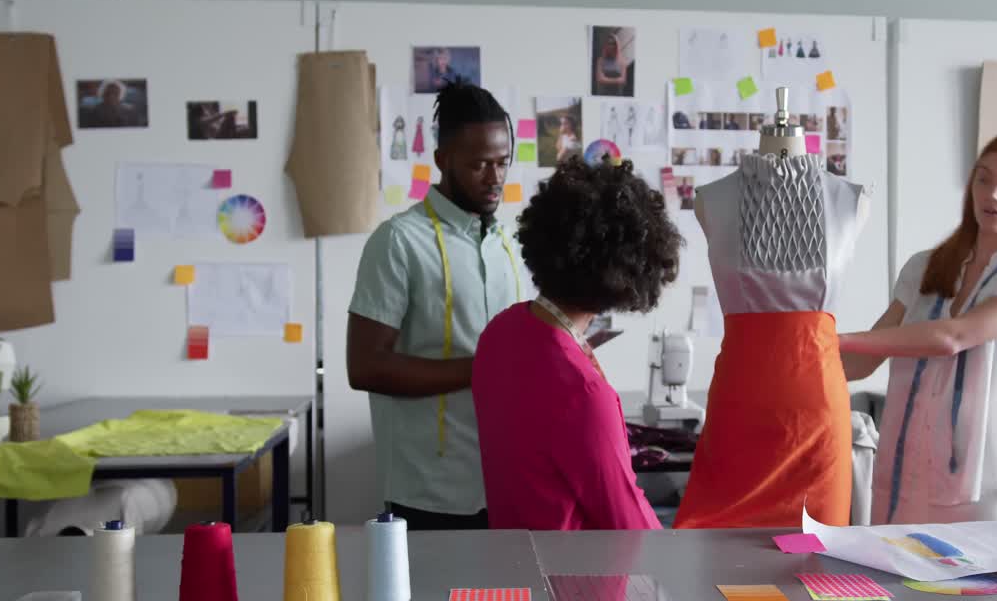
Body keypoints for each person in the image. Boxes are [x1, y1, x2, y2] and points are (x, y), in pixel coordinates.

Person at [840, 129, 997, 524]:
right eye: (983, 179)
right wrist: (795, 353)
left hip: (978, 480)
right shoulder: (925, 266)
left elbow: (953, 337)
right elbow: (862, 362)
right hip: (901, 469)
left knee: (977, 586)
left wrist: (830, 338)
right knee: (890, 583)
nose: (992, 195)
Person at [471, 157, 683, 531]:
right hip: (575, 580)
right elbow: (629, 524)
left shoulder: (499, 334)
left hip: (514, 567)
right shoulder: (583, 392)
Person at [673, 131, 870, 529]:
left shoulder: (850, 198)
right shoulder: (714, 197)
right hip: (740, 414)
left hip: (817, 417)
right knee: (719, 562)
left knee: (816, 565)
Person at [346, 81, 519, 531]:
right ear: (442, 161)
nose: (494, 177)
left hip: (505, 478)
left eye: (502, 162)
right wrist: (484, 368)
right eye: (478, 164)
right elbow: (364, 366)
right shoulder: (399, 240)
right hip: (428, 488)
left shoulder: (506, 244)